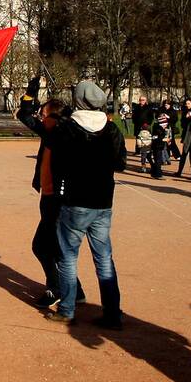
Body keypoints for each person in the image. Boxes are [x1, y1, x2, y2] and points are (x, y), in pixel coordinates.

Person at [45, 80, 126, 329]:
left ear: (78, 100)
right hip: (103, 202)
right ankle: (112, 313)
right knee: (104, 259)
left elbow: (56, 163)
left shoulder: (67, 128)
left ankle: (67, 308)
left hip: (75, 201)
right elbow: (120, 164)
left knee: (68, 257)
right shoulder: (112, 130)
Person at [16, 77, 84, 309]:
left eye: (44, 115)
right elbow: (23, 116)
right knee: (53, 247)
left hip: (60, 200)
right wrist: (31, 91)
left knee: (43, 246)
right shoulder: (49, 132)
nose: (40, 118)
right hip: (48, 196)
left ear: (55, 118)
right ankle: (76, 288)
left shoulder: (66, 134)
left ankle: (55, 288)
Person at [149, 112, 169, 179]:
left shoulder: (161, 128)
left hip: (159, 146)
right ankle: (158, 174)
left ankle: (155, 172)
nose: (165, 126)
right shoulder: (157, 129)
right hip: (156, 146)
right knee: (158, 160)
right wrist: (163, 140)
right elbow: (155, 138)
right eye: (164, 124)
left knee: (158, 160)